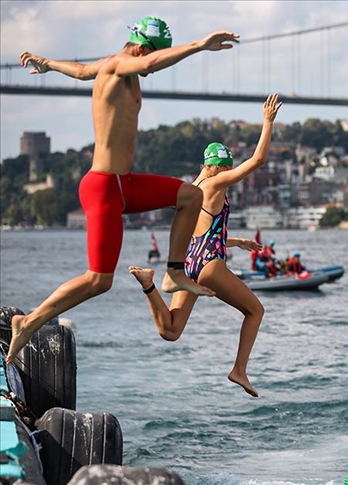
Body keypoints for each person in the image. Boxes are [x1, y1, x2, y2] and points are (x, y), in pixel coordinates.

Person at [5, 17, 241, 364]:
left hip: (125, 184)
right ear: (143, 47)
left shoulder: (111, 67)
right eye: (154, 56)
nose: (152, 69)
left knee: (191, 195)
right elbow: (146, 63)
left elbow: (82, 71)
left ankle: (175, 272)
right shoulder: (123, 63)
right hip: (104, 186)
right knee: (99, 281)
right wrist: (199, 46)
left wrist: (48, 64)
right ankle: (27, 322)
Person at [128, 94, 283, 397]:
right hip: (210, 265)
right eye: (225, 169)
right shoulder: (215, 184)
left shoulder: (189, 190)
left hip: (188, 264)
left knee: (171, 330)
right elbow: (258, 160)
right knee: (255, 311)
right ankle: (239, 369)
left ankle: (148, 285)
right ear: (213, 168)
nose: (227, 175)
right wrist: (267, 121)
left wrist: (235, 242)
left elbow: (200, 232)